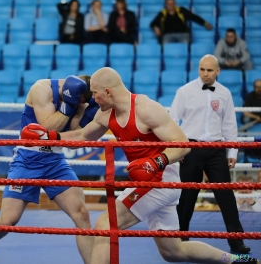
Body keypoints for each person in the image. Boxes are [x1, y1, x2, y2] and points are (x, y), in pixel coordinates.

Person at [20, 67, 259, 264]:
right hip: (147, 181)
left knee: (106, 223)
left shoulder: (146, 108)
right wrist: (51, 138)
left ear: (108, 91)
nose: (92, 99)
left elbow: (183, 144)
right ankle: (236, 260)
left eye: (95, 94)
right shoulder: (106, 114)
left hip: (161, 180)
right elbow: (83, 136)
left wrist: (157, 161)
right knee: (173, 251)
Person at [0, 75, 99, 264]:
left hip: (55, 160)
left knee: (82, 214)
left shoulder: (80, 101)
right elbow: (46, 127)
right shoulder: (41, 89)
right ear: (76, 93)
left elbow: (71, 138)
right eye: (80, 101)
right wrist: (68, 106)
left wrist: (84, 116)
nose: (81, 104)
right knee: (9, 221)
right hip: (27, 159)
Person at [169, 54, 252, 254]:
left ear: (217, 71)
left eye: (209, 70)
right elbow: (172, 121)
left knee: (226, 197)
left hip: (216, 149)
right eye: (202, 70)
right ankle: (181, 238)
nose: (205, 74)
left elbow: (230, 124)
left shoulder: (225, 93)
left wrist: (232, 150)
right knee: (187, 197)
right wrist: (177, 148)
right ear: (198, 69)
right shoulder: (185, 91)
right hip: (190, 148)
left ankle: (236, 241)